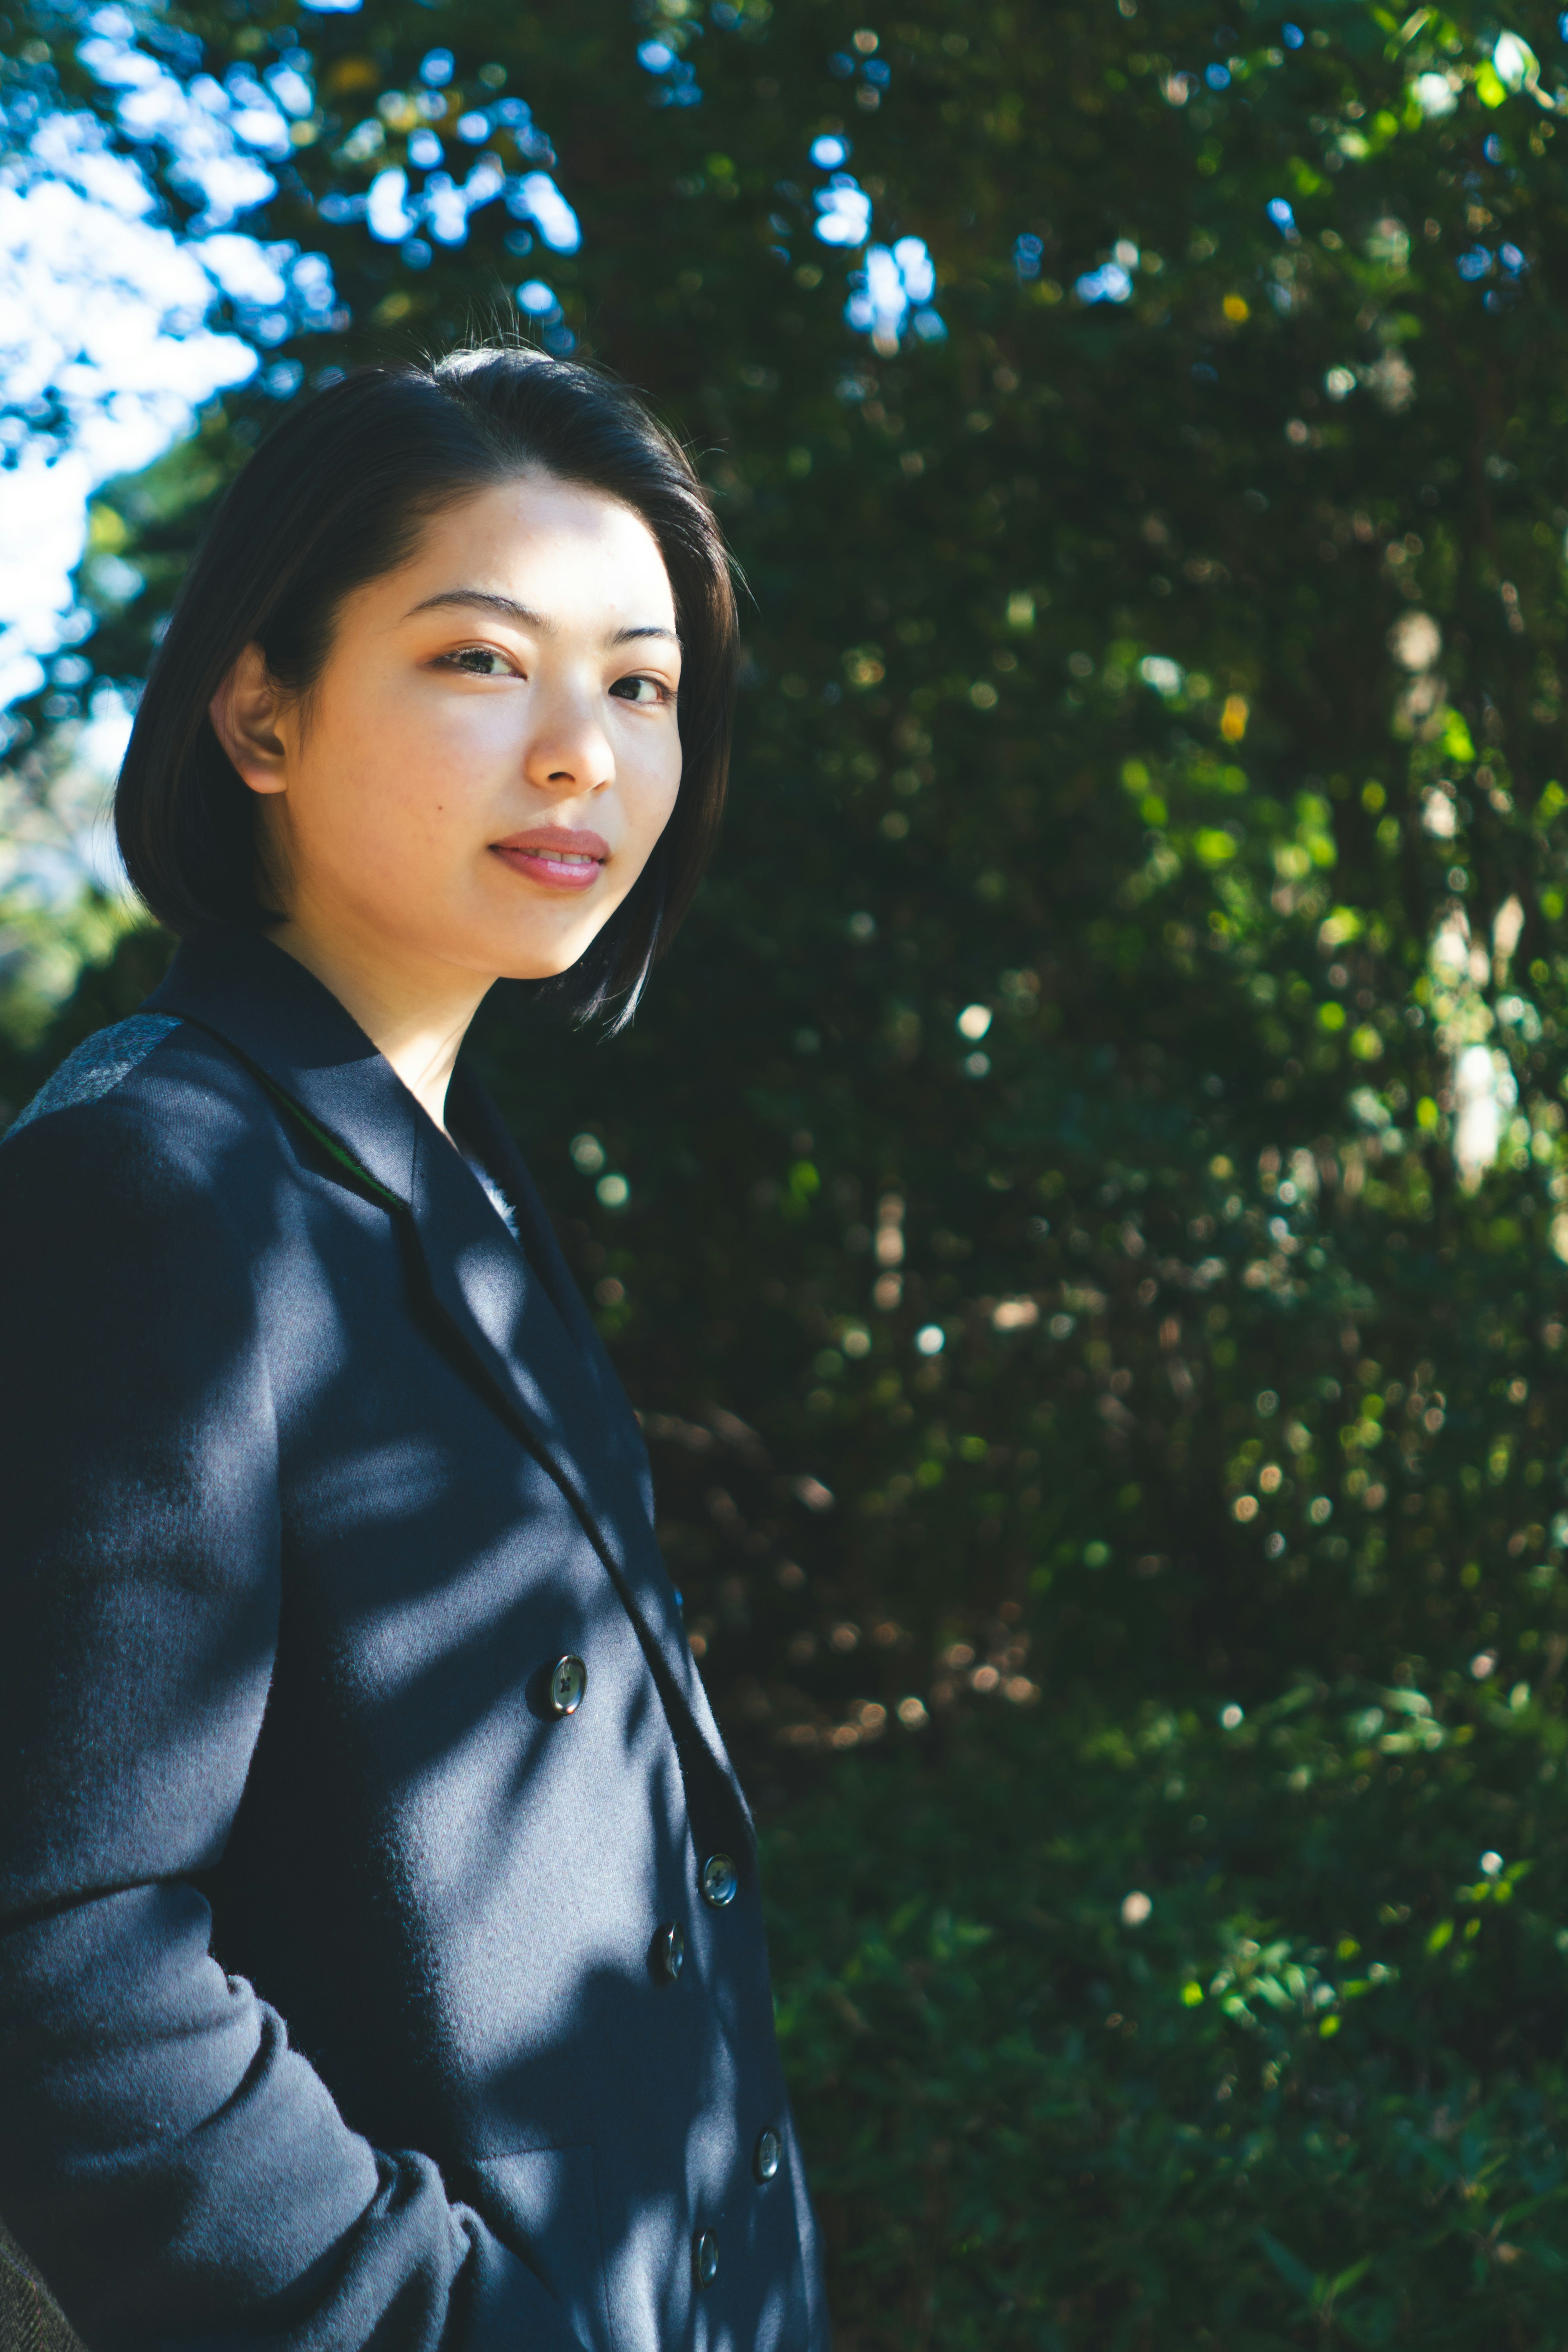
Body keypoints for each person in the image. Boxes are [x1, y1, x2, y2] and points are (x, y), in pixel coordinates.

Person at [0, 347, 829, 2352]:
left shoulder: (457, 1168)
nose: (585, 756)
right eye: (484, 662)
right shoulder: (152, 1183)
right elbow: (63, 1960)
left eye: (640, 684)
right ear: (260, 713)